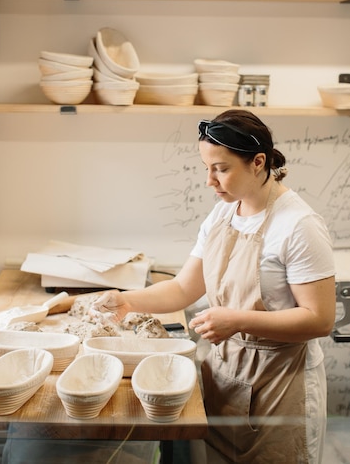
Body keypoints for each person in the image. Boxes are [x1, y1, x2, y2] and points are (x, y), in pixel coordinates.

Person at [91, 109, 336, 464]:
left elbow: (319, 319)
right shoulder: (224, 214)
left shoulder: (299, 226)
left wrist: (237, 320)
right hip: (225, 376)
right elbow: (183, 288)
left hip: (280, 386)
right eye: (207, 168)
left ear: (258, 162)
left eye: (221, 168)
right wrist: (127, 301)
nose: (210, 180)